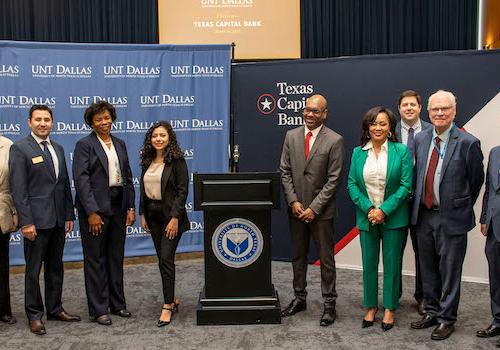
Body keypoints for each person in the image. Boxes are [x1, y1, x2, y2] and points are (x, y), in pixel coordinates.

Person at [410, 90, 484, 340]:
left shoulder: (468, 142)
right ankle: (431, 311)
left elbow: (475, 181)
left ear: (454, 111)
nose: (440, 113)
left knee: (450, 271)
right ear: (428, 112)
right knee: (427, 268)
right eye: (435, 109)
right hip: (423, 216)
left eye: (445, 109)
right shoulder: (420, 139)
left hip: (451, 217)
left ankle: (446, 318)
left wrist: (458, 205)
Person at [9, 105, 81, 335]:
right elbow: (19, 190)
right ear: (29, 122)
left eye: (47, 119)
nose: (43, 123)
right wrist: (26, 222)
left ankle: (55, 308)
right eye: (38, 119)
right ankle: (34, 315)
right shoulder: (20, 148)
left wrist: (69, 214)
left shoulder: (58, 148)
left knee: (55, 267)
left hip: (59, 219)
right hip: (36, 223)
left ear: (52, 123)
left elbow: (63, 185)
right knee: (32, 270)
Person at [279, 94, 345, 327]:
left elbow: (334, 180)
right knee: (298, 256)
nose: (309, 114)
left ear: (324, 114)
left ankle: (329, 304)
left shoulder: (335, 140)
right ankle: (299, 298)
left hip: (321, 213)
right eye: (307, 110)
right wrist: (294, 202)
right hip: (296, 210)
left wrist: (314, 208)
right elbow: (284, 172)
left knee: (326, 259)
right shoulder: (291, 136)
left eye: (315, 111)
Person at [347, 106, 412, 331]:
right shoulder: (358, 153)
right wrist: (369, 210)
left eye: (383, 123)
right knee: (369, 265)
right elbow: (352, 184)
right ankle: (370, 307)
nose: (378, 127)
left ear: (390, 127)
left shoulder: (401, 151)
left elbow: (405, 186)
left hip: (393, 219)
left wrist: (383, 210)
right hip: (367, 218)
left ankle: (390, 308)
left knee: (392, 265)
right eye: (373, 123)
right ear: (367, 127)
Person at [73, 101, 135, 326]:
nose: (104, 122)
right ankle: (99, 309)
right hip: (96, 211)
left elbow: (127, 177)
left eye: (107, 118)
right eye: (98, 119)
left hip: (118, 207)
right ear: (91, 122)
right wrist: (92, 212)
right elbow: (81, 180)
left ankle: (117, 304)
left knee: (115, 257)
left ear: (112, 118)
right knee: (95, 259)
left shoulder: (120, 143)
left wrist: (130, 206)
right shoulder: (84, 145)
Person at [139, 121, 189, 327]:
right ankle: (172, 297)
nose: (158, 139)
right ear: (150, 139)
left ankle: (167, 305)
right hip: (152, 216)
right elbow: (142, 188)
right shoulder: (147, 159)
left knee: (166, 259)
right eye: (155, 136)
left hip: (171, 218)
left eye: (162, 135)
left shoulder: (176, 160)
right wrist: (142, 213)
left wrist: (175, 218)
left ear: (170, 138)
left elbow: (182, 190)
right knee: (162, 260)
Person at [395, 90, 432, 315]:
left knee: (423, 254)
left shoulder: (431, 130)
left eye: (413, 105)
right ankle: (393, 295)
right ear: (399, 109)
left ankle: (423, 297)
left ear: (420, 108)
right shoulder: (389, 131)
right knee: (394, 252)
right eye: (404, 105)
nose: (409, 108)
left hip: (423, 204)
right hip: (396, 203)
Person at [476, 146, 500, 345]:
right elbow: (489, 189)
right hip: (494, 226)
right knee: (496, 277)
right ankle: (498, 320)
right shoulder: (495, 152)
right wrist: (485, 217)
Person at [0, 135, 17, 326]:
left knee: (1, 264)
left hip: (2, 210)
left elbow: (14, 183)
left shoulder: (7, 145)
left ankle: (3, 309)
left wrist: (14, 210)